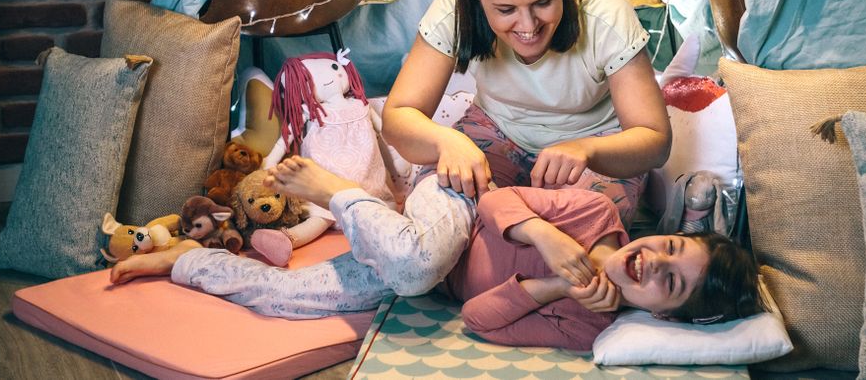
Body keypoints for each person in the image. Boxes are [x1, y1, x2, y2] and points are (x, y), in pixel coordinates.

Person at [110, 157, 762, 350]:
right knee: (418, 265)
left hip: (412, 270)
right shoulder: (597, 213)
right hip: (450, 207)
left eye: (669, 282)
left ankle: (180, 262)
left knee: (289, 298)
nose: (654, 260)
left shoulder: (587, 322)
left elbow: (479, 317)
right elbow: (500, 202)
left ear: (663, 315)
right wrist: (545, 237)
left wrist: (555, 288)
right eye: (669, 247)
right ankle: (337, 194)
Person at [381, 0, 670, 225]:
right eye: (506, 10)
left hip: (595, 142)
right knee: (437, 221)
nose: (528, 25)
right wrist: (446, 141)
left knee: (586, 231)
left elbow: (656, 141)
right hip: (495, 130)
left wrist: (586, 150)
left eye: (544, 2)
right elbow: (398, 116)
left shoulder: (606, 11)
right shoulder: (454, 7)